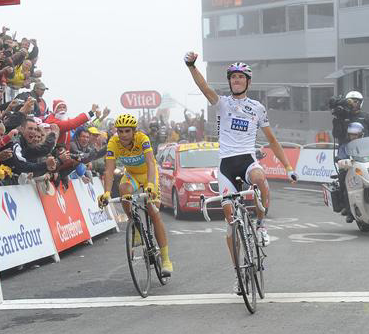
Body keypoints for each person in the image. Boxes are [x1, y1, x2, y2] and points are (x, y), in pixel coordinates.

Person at [183, 51, 297, 294]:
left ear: (248, 82)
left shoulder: (257, 108)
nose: (236, 80)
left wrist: (288, 167)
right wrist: (191, 66)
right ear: (229, 82)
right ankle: (238, 273)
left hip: (247, 160)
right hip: (225, 165)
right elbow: (204, 87)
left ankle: (261, 224)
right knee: (230, 224)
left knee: (258, 177)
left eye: (240, 77)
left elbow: (273, 141)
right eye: (233, 77)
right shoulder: (222, 103)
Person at [97, 113, 173, 276]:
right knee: (124, 189)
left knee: (153, 212)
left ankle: (166, 260)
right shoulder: (113, 142)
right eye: (120, 131)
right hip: (131, 175)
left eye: (127, 131)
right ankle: (135, 225)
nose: (123, 135)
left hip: (149, 175)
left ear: (134, 131)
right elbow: (109, 169)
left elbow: (151, 163)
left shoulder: (142, 138)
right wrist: (107, 193)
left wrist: (151, 184)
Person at [331, 91, 369, 223]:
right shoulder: (341, 117)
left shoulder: (368, 117)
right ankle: (349, 208)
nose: (353, 103)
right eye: (350, 101)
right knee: (344, 177)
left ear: (361, 102)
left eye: (356, 101)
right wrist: (340, 119)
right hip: (347, 152)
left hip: (367, 151)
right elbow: (337, 135)